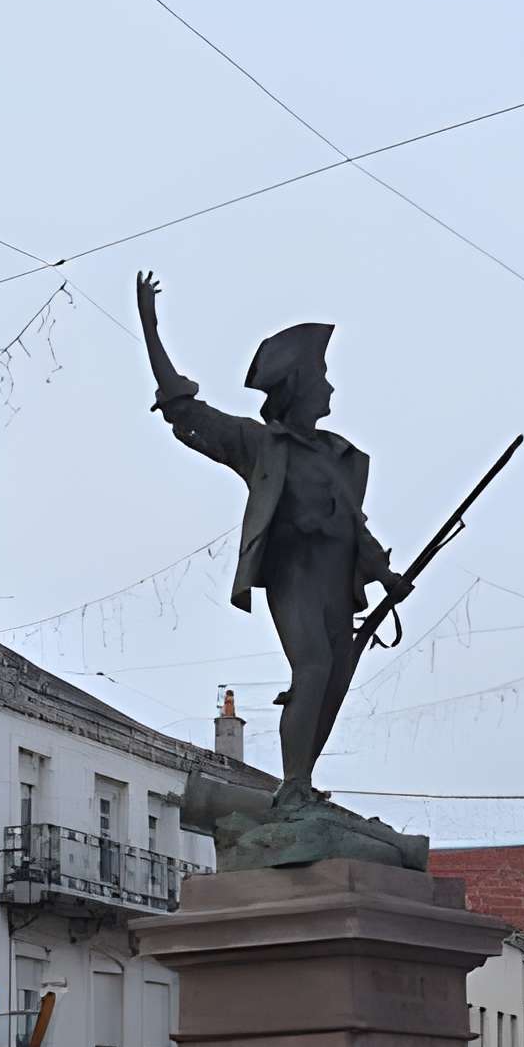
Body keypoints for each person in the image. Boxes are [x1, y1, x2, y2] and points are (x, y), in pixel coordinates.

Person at [136, 271, 408, 806]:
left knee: (333, 681)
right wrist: (150, 326)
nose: (330, 386)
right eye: (322, 376)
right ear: (301, 388)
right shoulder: (260, 444)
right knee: (312, 668)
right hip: (294, 573)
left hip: (336, 578)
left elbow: (357, 526)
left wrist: (385, 576)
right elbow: (185, 411)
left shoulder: (338, 456)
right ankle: (295, 786)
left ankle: (299, 784)